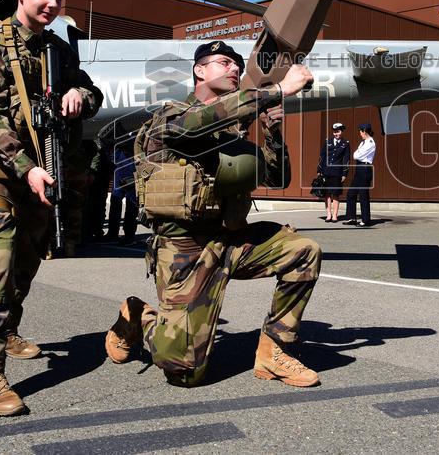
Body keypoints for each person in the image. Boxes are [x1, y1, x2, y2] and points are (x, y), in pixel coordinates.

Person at [104, 40, 322, 388]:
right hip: (185, 250)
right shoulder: (171, 117)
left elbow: (278, 179)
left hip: (231, 241)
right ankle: (138, 317)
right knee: (183, 371)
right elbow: (197, 123)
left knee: (303, 250)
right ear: (199, 71)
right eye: (223, 62)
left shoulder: (232, 130)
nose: (234, 68)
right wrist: (278, 90)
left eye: (237, 65)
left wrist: (272, 132)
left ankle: (274, 351)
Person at [0, 0, 103, 416]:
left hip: (44, 168)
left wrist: (79, 95)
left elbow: (94, 93)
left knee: (28, 258)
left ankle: (7, 328)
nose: (53, 4)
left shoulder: (57, 50)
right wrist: (26, 167)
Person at [343, 122, 376, 227]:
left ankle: (366, 220)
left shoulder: (370, 143)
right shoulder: (363, 143)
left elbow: (357, 156)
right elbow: (355, 154)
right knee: (351, 193)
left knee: (363, 195)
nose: (360, 133)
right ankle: (351, 218)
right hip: (359, 168)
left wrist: (357, 153)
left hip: (365, 168)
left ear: (365, 131)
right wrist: (357, 153)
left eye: (361, 131)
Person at [317, 122, 349, 222]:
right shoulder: (328, 141)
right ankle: (328, 215)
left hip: (337, 172)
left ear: (342, 131)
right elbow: (322, 156)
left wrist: (344, 173)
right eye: (334, 132)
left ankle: (335, 215)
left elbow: (346, 159)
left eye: (338, 132)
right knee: (326, 194)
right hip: (326, 171)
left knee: (335, 194)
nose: (336, 134)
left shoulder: (345, 143)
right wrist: (319, 169)